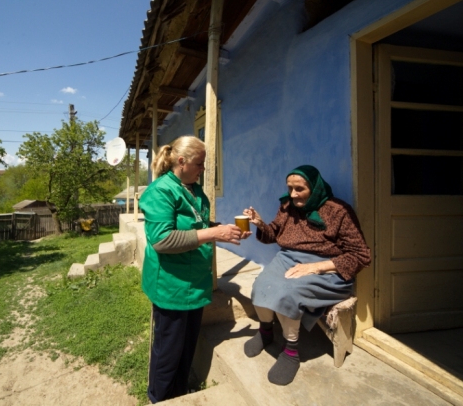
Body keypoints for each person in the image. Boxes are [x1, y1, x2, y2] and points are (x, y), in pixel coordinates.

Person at [240, 165, 370, 386]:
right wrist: (260, 223)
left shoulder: (339, 211)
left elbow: (361, 255)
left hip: (328, 267)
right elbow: (273, 234)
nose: (292, 194)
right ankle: (265, 331)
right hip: (289, 259)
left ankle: (291, 352)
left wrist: (317, 267)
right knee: (261, 284)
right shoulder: (287, 207)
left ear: (314, 188)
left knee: (289, 292)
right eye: (290, 188)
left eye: (299, 189)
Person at [140, 135, 243, 403]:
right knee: (168, 351)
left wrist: (223, 230)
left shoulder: (193, 189)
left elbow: (197, 224)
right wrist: (213, 233)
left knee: (187, 345)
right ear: (181, 161)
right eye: (200, 164)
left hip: (193, 282)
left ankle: (180, 392)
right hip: (172, 286)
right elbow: (162, 240)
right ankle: (159, 397)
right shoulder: (160, 191)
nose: (203, 169)